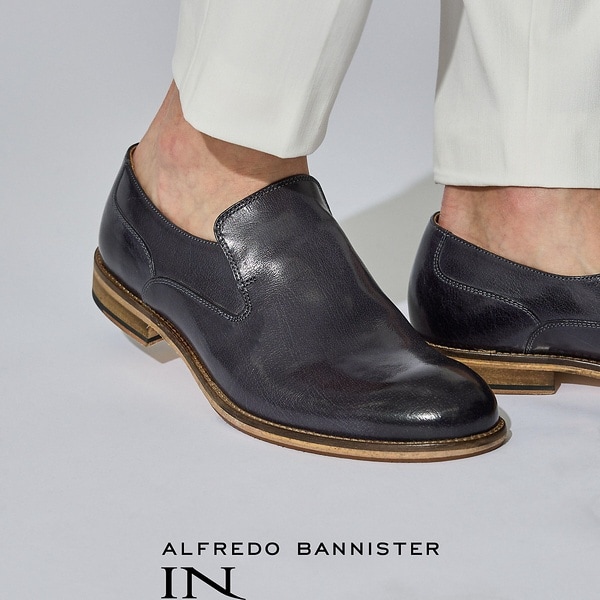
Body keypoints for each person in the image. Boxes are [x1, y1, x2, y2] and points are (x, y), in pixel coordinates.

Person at [92, 1, 599, 460]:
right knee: (242, 111)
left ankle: (531, 202)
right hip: (200, 189)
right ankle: (211, 160)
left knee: (541, 141)